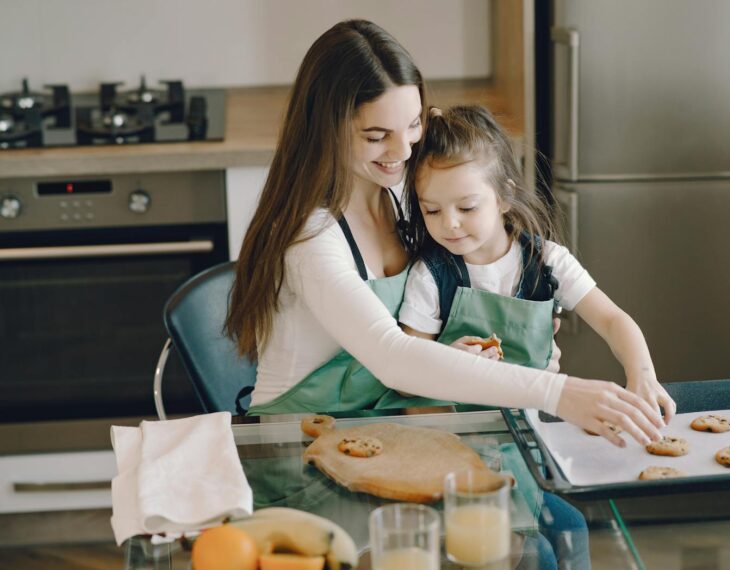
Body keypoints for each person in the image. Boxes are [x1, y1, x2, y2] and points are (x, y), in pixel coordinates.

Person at [225, 19, 665, 449]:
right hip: (295, 446)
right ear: (327, 128)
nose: (403, 152)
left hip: (383, 431)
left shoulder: (402, 194)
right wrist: (560, 393)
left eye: (413, 125)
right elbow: (392, 355)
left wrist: (460, 350)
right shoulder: (311, 236)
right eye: (378, 136)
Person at [398, 105, 676, 423]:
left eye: (467, 207)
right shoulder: (430, 276)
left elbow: (612, 320)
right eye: (432, 211)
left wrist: (643, 376)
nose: (450, 224)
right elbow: (406, 377)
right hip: (457, 435)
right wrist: (447, 361)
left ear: (504, 197)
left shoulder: (547, 262)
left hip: (535, 426)